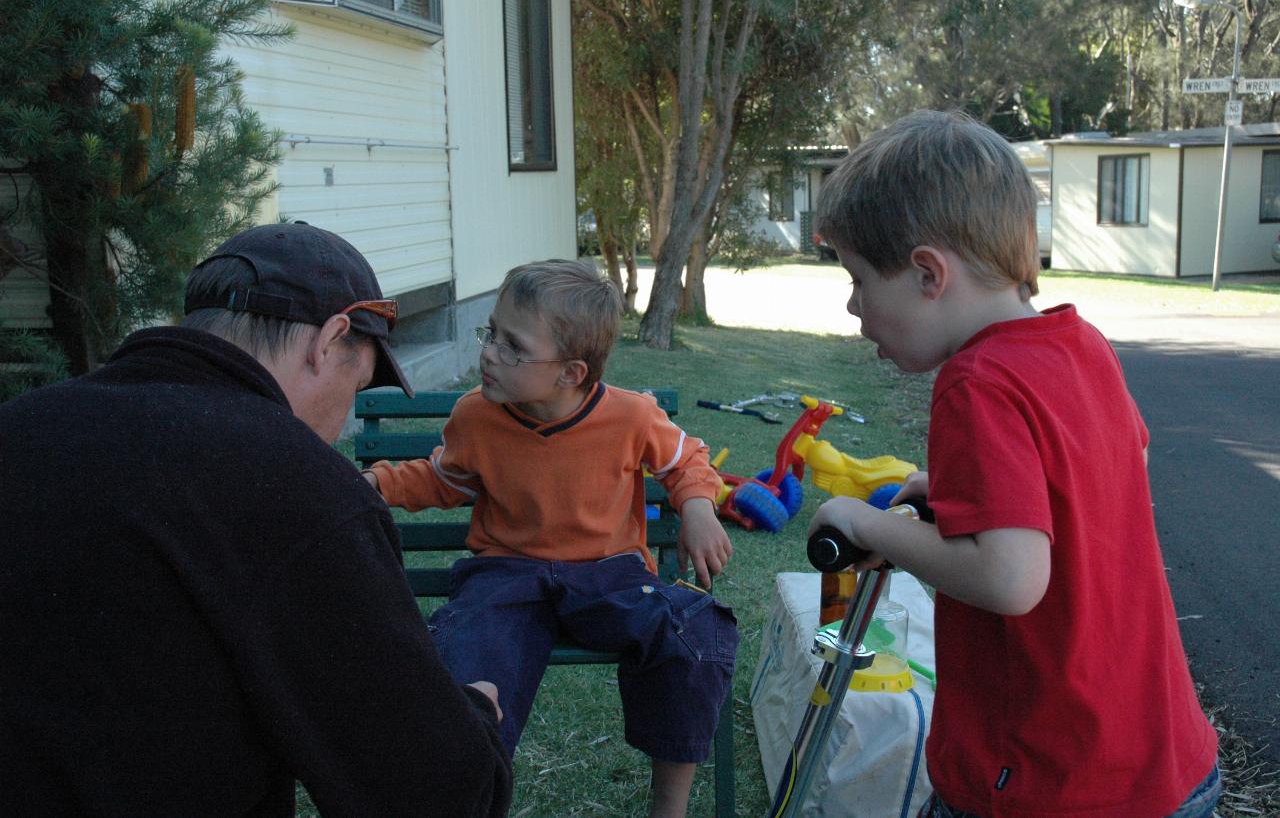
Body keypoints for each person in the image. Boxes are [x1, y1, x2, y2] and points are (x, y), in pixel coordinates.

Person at [0, 223, 512, 817]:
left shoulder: (19, 427)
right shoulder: (296, 485)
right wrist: (471, 713)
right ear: (330, 341)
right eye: (361, 380)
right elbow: (435, 792)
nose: (346, 416)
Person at [809, 111, 1220, 818]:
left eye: (858, 282)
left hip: (1050, 781)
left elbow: (1009, 577)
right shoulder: (1080, 343)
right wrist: (957, 494)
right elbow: (1105, 473)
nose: (856, 310)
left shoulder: (975, 381)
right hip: (1168, 765)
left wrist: (867, 526)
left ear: (927, 273)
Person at [363, 258, 738, 818]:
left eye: (513, 345)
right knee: (463, 668)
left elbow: (687, 461)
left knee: (695, 632)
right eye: (491, 333)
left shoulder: (632, 416)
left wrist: (700, 510)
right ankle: (471, 797)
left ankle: (670, 805)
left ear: (571, 372)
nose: (489, 352)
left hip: (610, 576)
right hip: (506, 578)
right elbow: (443, 479)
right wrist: (372, 484)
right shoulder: (477, 416)